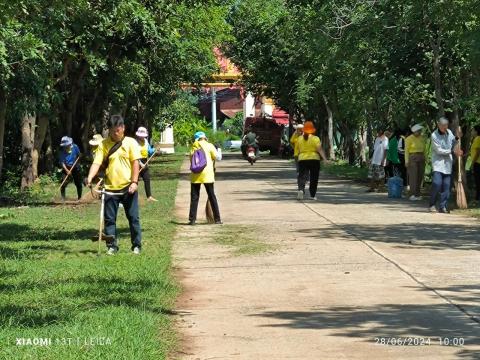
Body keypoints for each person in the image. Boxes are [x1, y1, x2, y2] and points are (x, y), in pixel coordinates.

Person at [86, 115, 143, 255]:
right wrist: (89, 177)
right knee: (109, 220)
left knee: (133, 218)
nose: (115, 134)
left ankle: (136, 245)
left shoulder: (131, 143)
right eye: (112, 131)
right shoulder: (104, 144)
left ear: (123, 128)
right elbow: (97, 162)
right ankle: (112, 246)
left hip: (128, 187)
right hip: (110, 189)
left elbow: (135, 163)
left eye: (117, 131)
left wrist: (134, 182)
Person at [429, 117, 463, 213]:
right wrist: (453, 151)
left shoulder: (449, 132)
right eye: (443, 126)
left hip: (448, 164)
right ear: (438, 125)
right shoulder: (434, 135)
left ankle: (442, 206)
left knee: (447, 186)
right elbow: (439, 150)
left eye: (446, 126)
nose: (445, 128)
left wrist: (457, 138)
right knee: (437, 183)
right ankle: (432, 204)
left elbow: (453, 142)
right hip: (438, 164)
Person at [188, 131, 222, 225]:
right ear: (204, 138)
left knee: (194, 198)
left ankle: (192, 220)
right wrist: (218, 149)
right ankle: (217, 219)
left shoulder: (193, 147)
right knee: (212, 196)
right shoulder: (209, 145)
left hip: (195, 176)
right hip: (207, 175)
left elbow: (192, 160)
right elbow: (218, 158)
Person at [295, 121, 329, 201]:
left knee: (302, 176)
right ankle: (312, 195)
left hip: (302, 159)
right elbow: (319, 149)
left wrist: (297, 160)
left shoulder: (299, 139)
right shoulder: (315, 138)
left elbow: (297, 151)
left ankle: (301, 190)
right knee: (314, 178)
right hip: (314, 159)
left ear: (303, 130)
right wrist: (325, 159)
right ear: (312, 130)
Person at [135, 126, 157, 202]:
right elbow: (134, 155)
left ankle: (149, 196)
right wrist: (140, 163)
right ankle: (134, 197)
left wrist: (153, 150)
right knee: (135, 180)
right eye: (141, 136)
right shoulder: (135, 143)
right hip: (137, 161)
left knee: (147, 179)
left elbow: (149, 151)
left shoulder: (145, 141)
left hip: (145, 161)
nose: (142, 137)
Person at [405, 124, 426, 201]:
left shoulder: (422, 138)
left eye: (420, 131)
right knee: (413, 175)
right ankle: (412, 194)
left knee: (420, 175)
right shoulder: (409, 139)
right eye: (418, 131)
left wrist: (426, 158)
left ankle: (417, 194)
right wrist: (406, 161)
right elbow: (406, 151)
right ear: (414, 131)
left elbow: (424, 149)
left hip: (421, 156)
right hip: (412, 157)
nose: (420, 132)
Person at [59, 136, 83, 201]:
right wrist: (67, 170)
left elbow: (79, 155)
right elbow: (62, 162)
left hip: (75, 166)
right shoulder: (62, 151)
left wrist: (80, 156)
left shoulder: (75, 147)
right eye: (66, 145)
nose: (67, 146)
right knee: (63, 183)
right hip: (66, 167)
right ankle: (63, 198)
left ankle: (80, 198)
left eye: (68, 145)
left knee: (78, 183)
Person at [469, 124, 480, 202]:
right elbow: (473, 151)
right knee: (477, 180)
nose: (471, 132)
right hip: (477, 162)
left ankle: (477, 198)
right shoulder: (476, 139)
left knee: (478, 181)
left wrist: (472, 164)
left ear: (476, 131)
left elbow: (478, 152)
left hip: (478, 163)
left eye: (472, 130)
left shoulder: (478, 138)